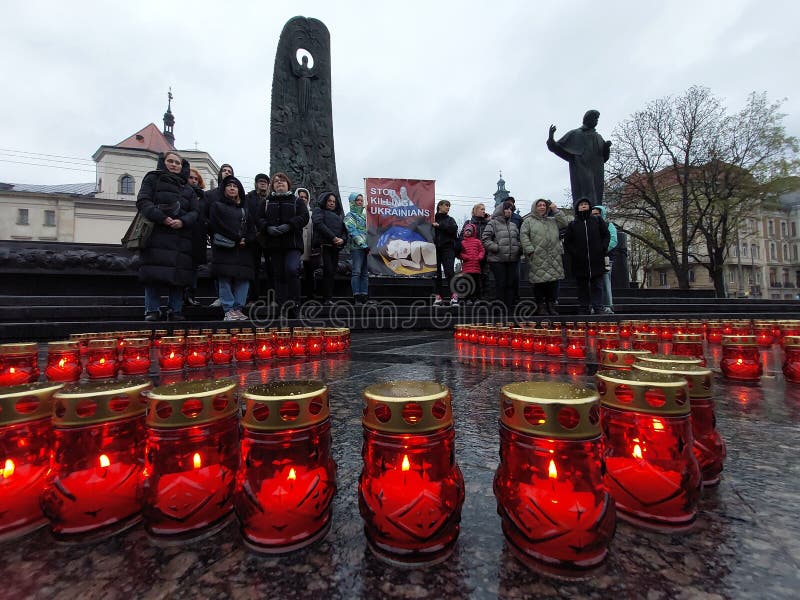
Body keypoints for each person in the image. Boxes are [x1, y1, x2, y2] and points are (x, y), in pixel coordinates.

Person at [135, 151, 198, 322]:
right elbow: (143, 202)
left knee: (178, 276)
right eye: (170, 161)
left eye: (177, 163)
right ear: (163, 163)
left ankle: (175, 310)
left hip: (180, 237)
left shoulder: (188, 189)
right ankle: (152, 309)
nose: (174, 165)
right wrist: (162, 218)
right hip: (156, 235)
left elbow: (195, 212)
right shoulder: (152, 179)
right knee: (153, 274)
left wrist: (183, 221)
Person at [258, 172, 309, 313]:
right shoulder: (266, 201)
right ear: (272, 186)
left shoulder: (297, 201)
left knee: (291, 269)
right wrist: (267, 227)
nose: (279, 183)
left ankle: (295, 303)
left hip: (292, 243)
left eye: (282, 181)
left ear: (288, 184)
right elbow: (259, 218)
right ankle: (282, 306)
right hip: (274, 244)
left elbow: (304, 217)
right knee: (278, 274)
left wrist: (290, 225)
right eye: (276, 182)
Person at [209, 175, 257, 321]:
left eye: (235, 186)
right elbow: (216, 225)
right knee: (225, 279)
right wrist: (236, 238)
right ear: (224, 189)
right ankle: (228, 309)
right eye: (229, 186)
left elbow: (251, 228)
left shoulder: (245, 209)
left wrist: (247, 239)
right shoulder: (216, 205)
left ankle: (238, 308)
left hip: (242, 249)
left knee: (243, 279)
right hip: (224, 248)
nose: (232, 188)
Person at [547, 110, 612, 209]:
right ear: (588, 119)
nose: (596, 121)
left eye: (597, 119)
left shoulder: (598, 137)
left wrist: (606, 148)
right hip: (581, 169)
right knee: (584, 195)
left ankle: (597, 216)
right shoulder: (575, 134)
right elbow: (557, 147)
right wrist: (551, 138)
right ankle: (584, 216)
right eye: (595, 119)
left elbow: (604, 158)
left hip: (597, 172)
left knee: (597, 196)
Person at [520, 199, 568, 315]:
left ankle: (551, 306)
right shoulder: (528, 221)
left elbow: (564, 223)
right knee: (539, 283)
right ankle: (540, 306)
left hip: (553, 256)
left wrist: (555, 210)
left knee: (553, 283)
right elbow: (524, 235)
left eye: (544, 205)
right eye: (539, 205)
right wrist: (530, 250)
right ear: (535, 208)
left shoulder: (552, 221)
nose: (542, 207)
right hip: (537, 256)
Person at [564, 198, 610, 315]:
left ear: (590, 207)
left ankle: (598, 307)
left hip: (596, 259)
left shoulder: (597, 220)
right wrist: (575, 253)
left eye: (586, 204)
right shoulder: (573, 224)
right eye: (581, 204)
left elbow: (606, 235)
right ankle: (584, 307)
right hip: (580, 262)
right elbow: (567, 242)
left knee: (597, 285)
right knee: (582, 286)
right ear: (577, 208)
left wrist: (603, 248)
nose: (584, 206)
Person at [482, 200, 521, 312]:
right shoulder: (492, 223)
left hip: (512, 259)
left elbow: (518, 239)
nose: (509, 211)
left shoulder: (513, 225)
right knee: (501, 283)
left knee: (510, 284)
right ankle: (499, 308)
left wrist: (518, 248)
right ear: (501, 210)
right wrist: (496, 248)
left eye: (510, 209)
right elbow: (485, 239)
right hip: (497, 259)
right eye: (506, 208)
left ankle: (508, 308)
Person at [206, 163, 235, 308]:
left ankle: (230, 297)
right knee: (219, 268)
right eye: (224, 170)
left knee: (232, 268)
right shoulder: (211, 195)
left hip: (235, 238)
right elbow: (204, 215)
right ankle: (220, 296)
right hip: (217, 237)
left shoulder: (236, 195)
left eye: (230, 171)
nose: (227, 173)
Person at [312, 192, 347, 305]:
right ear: (324, 201)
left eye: (333, 202)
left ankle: (329, 297)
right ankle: (324, 298)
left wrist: (342, 240)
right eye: (329, 201)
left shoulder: (339, 216)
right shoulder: (319, 211)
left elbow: (344, 231)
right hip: (324, 246)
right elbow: (319, 224)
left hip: (335, 248)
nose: (332, 203)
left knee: (332, 272)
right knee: (327, 271)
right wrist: (333, 237)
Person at [245, 173, 270, 303]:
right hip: (254, 237)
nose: (262, 183)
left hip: (269, 237)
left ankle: (271, 296)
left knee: (270, 267)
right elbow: (247, 216)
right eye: (260, 181)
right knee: (253, 268)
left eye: (265, 181)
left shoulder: (271, 198)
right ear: (256, 183)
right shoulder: (248, 198)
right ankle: (253, 297)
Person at [345, 192, 373, 305]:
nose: (360, 202)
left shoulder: (365, 216)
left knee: (365, 273)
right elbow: (352, 231)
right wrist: (362, 244)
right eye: (357, 200)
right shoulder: (349, 216)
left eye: (361, 200)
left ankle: (364, 295)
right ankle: (357, 296)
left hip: (367, 248)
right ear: (352, 202)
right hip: (357, 248)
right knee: (356, 271)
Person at [184, 167, 207, 307]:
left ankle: (190, 294)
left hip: (198, 235)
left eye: (196, 178)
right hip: (184, 233)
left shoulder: (203, 196)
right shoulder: (181, 192)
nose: (193, 180)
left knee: (194, 268)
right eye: (190, 177)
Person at [432, 200, 459, 306]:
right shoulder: (431, 218)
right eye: (446, 205)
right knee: (436, 273)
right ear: (439, 206)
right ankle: (438, 297)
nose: (448, 208)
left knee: (449, 272)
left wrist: (439, 226)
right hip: (434, 248)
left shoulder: (450, 219)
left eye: (449, 206)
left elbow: (454, 229)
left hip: (448, 248)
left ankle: (454, 296)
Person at [592, 205, 618, 314]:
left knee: (605, 280)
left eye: (597, 214)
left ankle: (607, 305)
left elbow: (613, 240)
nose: (595, 216)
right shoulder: (590, 226)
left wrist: (601, 250)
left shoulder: (609, 225)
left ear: (602, 214)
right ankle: (596, 305)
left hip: (606, 258)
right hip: (593, 258)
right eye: (593, 214)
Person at [464, 203, 490, 300]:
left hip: (484, 254)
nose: (484, 211)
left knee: (485, 276)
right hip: (471, 255)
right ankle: (470, 297)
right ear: (475, 211)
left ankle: (484, 297)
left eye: (484, 209)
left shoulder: (488, 223)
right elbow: (463, 237)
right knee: (471, 277)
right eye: (481, 209)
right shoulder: (469, 222)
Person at [296, 187, 316, 302]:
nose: (303, 199)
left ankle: (310, 296)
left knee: (309, 272)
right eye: (301, 197)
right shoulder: (293, 211)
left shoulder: (312, 213)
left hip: (309, 244)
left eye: (305, 197)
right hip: (296, 244)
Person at [457, 223, 485, 305]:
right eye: (466, 231)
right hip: (467, 267)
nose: (468, 232)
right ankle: (468, 299)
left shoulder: (477, 242)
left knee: (476, 284)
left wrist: (480, 257)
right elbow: (459, 253)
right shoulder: (462, 242)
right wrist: (464, 257)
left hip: (476, 267)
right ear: (464, 232)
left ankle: (476, 298)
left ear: (473, 232)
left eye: (470, 231)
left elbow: (482, 250)